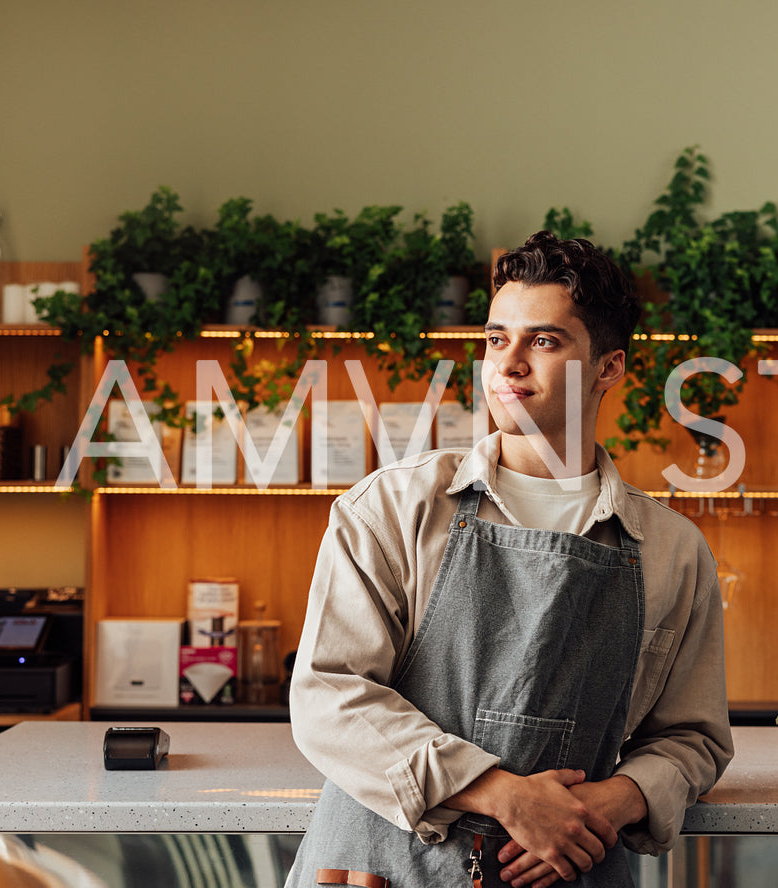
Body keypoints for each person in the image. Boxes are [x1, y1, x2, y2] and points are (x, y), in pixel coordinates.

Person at [286, 231, 734, 888]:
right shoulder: (391, 506)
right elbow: (330, 695)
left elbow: (692, 738)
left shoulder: (670, 549)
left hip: (568, 862)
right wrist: (503, 794)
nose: (509, 363)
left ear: (609, 368)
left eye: (544, 341)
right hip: (381, 866)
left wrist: (618, 799)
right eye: (497, 339)